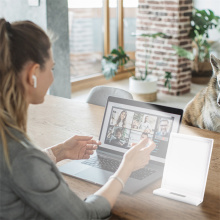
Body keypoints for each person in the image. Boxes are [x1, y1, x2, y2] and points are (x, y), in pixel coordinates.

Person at [0, 19, 156, 220]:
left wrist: (59, 151)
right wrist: (127, 167)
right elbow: (85, 215)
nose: (53, 77)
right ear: (33, 75)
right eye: (51, 68)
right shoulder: (23, 157)